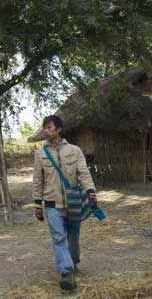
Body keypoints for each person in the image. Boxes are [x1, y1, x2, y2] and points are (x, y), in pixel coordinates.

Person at [32, 115, 97, 291]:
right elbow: (38, 181)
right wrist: (38, 204)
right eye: (44, 128)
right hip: (52, 204)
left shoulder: (74, 151)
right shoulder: (40, 154)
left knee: (73, 237)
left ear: (59, 130)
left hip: (73, 202)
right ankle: (66, 273)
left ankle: (73, 262)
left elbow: (83, 173)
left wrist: (91, 192)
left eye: (49, 128)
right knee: (58, 238)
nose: (45, 131)